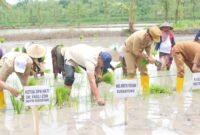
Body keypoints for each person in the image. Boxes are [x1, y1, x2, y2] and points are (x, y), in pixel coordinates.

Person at [122, 26, 161, 92]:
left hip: (139, 51)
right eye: (152, 38)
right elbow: (135, 52)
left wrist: (151, 59)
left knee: (144, 71)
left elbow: (148, 52)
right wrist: (146, 57)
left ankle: (145, 90)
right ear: (147, 35)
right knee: (131, 72)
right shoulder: (139, 37)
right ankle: (129, 91)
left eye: (153, 40)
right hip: (129, 51)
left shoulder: (150, 40)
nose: (152, 41)